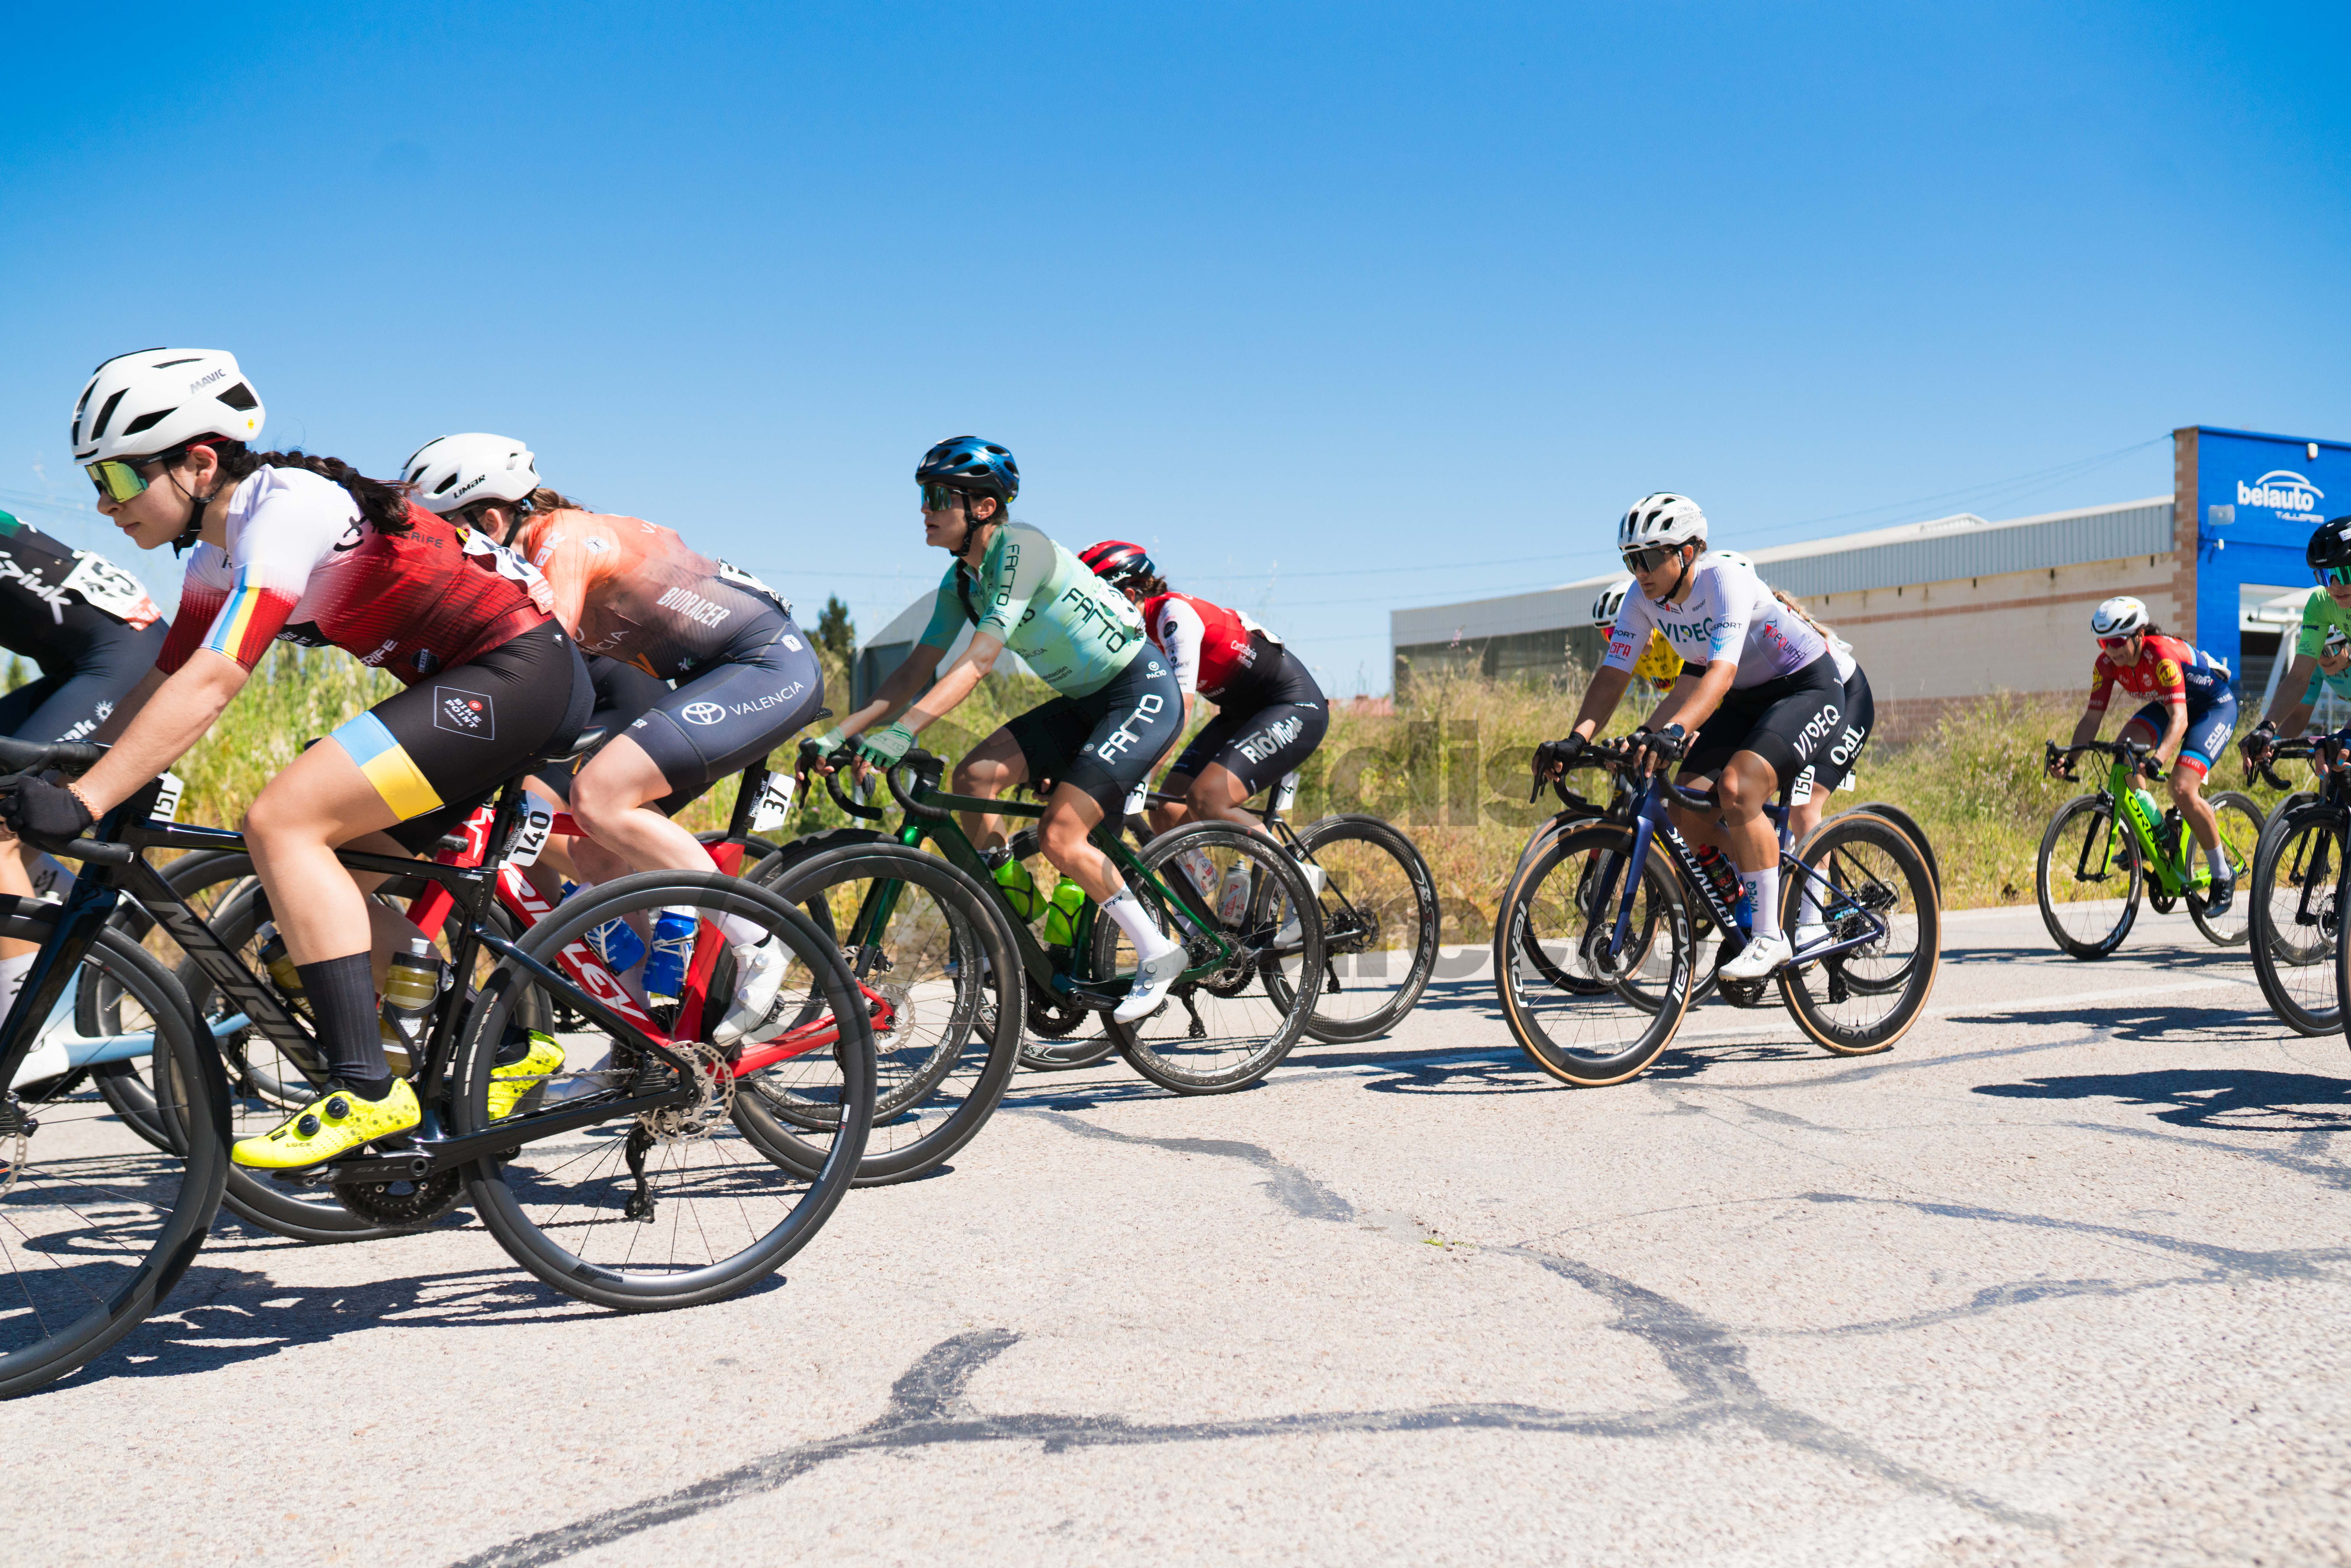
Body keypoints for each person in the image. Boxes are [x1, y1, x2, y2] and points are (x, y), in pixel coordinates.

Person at [2, 349, 593, 1169]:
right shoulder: (216, 553)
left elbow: (216, 678)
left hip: (517, 672)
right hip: (481, 682)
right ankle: (504, 1044)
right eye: (97, 485)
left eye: (122, 481)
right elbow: (168, 676)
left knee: (281, 820)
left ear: (199, 461)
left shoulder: (284, 507)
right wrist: (78, 770)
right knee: (323, 894)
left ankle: (364, 1087)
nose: (106, 506)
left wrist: (89, 798)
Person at [399, 433, 824, 1044]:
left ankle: (760, 943)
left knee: (598, 796)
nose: (442, 555)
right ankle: (649, 1040)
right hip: (703, 678)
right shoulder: (524, 550)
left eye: (450, 537)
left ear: (490, 518)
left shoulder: (560, 539)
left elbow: (543, 663)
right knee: (599, 858)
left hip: (764, 666)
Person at [820, 438, 1187, 1023]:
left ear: (983, 508)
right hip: (1082, 701)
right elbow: (914, 672)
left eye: (937, 496)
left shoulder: (1023, 549)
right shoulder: (960, 583)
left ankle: (1157, 950)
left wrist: (904, 731)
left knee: (1060, 836)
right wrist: (845, 732)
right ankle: (1023, 923)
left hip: (1138, 692)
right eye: (923, 495)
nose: (924, 509)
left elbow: (980, 660)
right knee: (974, 776)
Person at [1554, 493, 1844, 979]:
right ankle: (1762, 878)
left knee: (1738, 788)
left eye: (1647, 557)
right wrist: (1575, 737)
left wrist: (1671, 732)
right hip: (1743, 699)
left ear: (1686, 552)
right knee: (1686, 812)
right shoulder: (1640, 600)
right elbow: (1612, 673)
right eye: (1630, 559)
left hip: (1802, 687)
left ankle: (1769, 936)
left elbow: (1719, 674)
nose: (1638, 570)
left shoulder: (1724, 580)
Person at [0, 510, 170, 1016]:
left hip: (124, 663)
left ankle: (28, 1026)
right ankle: (97, 915)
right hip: (95, 661)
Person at [1078, 540, 1327, 837]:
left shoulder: (1174, 615)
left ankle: (1291, 876)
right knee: (1166, 812)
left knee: (1207, 800)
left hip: (1292, 706)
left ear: (1130, 596)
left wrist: (1140, 778)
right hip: (1239, 715)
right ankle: (1197, 884)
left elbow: (1177, 710)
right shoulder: (1134, 636)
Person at [2052, 595, 2237, 916]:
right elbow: (2091, 719)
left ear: (2139, 635)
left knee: (2180, 787)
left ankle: (2222, 875)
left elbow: (2180, 719)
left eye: (2118, 641)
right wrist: (2070, 760)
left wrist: (2157, 760)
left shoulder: (2161, 656)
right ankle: (2158, 830)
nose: (2111, 650)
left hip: (2210, 708)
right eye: (2103, 642)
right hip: (2169, 704)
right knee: (2123, 753)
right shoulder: (2107, 665)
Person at [2240, 516, 2351, 771]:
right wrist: (2268, 729)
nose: (2335, 586)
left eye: (2344, 572)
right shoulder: (2321, 604)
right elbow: (2300, 677)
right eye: (2326, 575)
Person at [1590, 577, 1689, 696]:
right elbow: (1609, 693)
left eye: (1620, 632)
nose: (1618, 641)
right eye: (1609, 635)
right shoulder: (1630, 658)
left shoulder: (1671, 634)